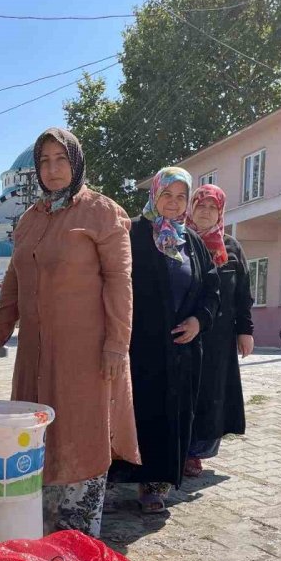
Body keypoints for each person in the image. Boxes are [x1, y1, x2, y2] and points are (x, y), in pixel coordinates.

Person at [0, 127, 140, 537]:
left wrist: (118, 344)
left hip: (87, 353)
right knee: (35, 433)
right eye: (44, 161)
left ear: (75, 162)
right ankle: (38, 534)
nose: (52, 168)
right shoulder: (30, 220)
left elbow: (120, 281)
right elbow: (14, 280)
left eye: (61, 159)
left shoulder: (102, 212)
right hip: (35, 353)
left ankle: (79, 540)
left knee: (82, 433)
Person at [109, 167, 220, 514]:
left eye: (180, 197)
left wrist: (198, 321)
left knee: (173, 415)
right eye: (166, 195)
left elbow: (212, 291)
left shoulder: (194, 243)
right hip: (139, 345)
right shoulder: (133, 235)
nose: (173, 203)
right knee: (137, 410)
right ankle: (119, 476)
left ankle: (156, 484)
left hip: (182, 349)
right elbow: (114, 282)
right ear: (154, 196)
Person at [184, 185, 255, 477]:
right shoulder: (175, 240)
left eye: (212, 207)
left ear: (220, 212)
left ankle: (196, 452)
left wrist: (245, 330)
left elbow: (243, 293)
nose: (205, 211)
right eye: (200, 205)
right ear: (191, 208)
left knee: (211, 392)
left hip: (219, 337)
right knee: (185, 391)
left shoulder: (232, 247)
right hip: (185, 332)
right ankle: (178, 447)